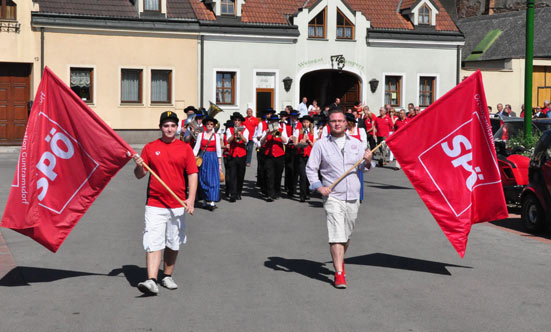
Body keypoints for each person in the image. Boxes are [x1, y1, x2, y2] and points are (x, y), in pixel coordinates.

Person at [306, 108, 373, 289]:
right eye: (333, 121)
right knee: (336, 233)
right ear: (329, 123)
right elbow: (311, 169)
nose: (337, 123)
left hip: (352, 196)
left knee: (346, 235)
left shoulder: (357, 144)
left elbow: (364, 169)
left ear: (346, 123)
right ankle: (339, 273)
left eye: (340, 121)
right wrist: (319, 186)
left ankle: (339, 260)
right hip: (332, 196)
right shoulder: (321, 145)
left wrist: (368, 161)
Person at [132, 111, 198, 295]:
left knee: (173, 242)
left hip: (177, 203)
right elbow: (140, 175)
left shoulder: (185, 149)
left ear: (177, 128)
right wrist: (138, 164)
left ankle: (167, 275)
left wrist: (190, 199)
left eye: (172, 126)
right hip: (155, 203)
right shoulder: (150, 147)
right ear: (161, 127)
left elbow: (192, 173)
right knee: (153, 241)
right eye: (166, 126)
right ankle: (151, 280)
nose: (169, 129)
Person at [193, 117, 222, 211]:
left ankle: (212, 200)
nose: (209, 126)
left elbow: (218, 150)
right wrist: (192, 158)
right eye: (208, 124)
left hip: (213, 158)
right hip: (203, 158)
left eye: (211, 124)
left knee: (213, 179)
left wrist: (220, 164)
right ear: (205, 125)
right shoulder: (201, 135)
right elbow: (196, 148)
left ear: (213, 126)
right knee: (203, 178)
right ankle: (205, 200)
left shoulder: (216, 136)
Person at [260, 114, 288, 201]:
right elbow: (261, 143)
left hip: (279, 156)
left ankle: (277, 191)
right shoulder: (266, 130)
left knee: (278, 175)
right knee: (269, 175)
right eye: (272, 121)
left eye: (275, 122)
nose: (273, 123)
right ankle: (270, 194)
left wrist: (278, 133)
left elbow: (286, 141)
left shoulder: (281, 130)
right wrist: (267, 134)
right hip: (269, 155)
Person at [226, 112, 249, 202]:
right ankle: (233, 194)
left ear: (241, 122)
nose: (237, 122)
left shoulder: (245, 129)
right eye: (235, 120)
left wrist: (240, 134)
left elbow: (246, 141)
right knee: (232, 175)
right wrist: (234, 134)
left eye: (238, 120)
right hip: (232, 154)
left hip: (242, 155)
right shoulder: (229, 129)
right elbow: (228, 140)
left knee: (240, 175)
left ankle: (239, 192)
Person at [345, 113, 368, 202]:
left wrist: (356, 152)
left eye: (346, 121)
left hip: (358, 157)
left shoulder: (360, 131)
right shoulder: (345, 132)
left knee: (358, 177)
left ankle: (358, 196)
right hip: (347, 157)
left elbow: (364, 144)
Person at [294, 115, 316, 202]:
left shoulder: (313, 132)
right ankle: (302, 195)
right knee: (302, 175)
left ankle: (307, 192)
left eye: (307, 122)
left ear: (310, 123)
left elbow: (315, 145)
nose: (305, 124)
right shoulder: (297, 131)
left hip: (310, 156)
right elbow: (295, 144)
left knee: (308, 175)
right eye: (304, 122)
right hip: (301, 155)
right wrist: (301, 141)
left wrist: (309, 141)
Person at [284, 110, 302, 198]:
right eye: (292, 117)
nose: (294, 118)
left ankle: (293, 188)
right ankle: (288, 187)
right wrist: (288, 138)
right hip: (288, 148)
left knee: (296, 169)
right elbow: (283, 135)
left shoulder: (300, 125)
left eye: (295, 117)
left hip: (297, 149)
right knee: (289, 168)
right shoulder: (286, 124)